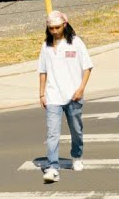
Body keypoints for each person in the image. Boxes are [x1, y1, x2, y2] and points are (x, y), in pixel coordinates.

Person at [38, 10, 94, 183]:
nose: (54, 31)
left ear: (64, 25)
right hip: (53, 96)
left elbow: (87, 67)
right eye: (51, 28)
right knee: (52, 134)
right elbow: (42, 71)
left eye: (57, 27)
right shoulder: (46, 46)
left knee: (76, 130)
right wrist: (41, 93)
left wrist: (81, 88)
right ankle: (53, 167)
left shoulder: (76, 42)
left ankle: (77, 156)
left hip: (73, 96)